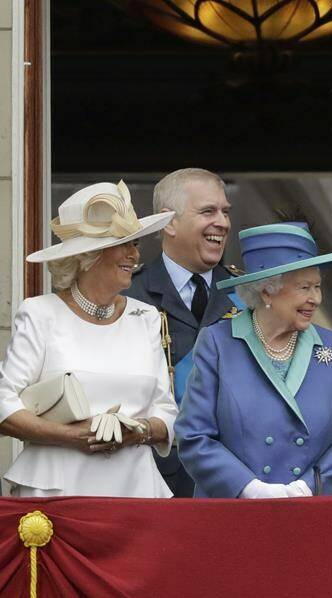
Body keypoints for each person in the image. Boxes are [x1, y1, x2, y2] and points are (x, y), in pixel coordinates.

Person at [0, 181, 179, 497]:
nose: (134, 254)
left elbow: (166, 412)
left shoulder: (145, 317)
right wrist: (71, 436)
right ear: (88, 256)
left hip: (135, 490)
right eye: (124, 244)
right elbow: (1, 406)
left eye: (135, 244)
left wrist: (138, 431)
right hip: (57, 491)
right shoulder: (40, 314)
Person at [176, 219, 332, 498]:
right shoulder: (218, 343)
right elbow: (193, 435)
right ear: (267, 290)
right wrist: (249, 489)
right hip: (233, 514)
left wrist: (308, 487)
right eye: (304, 288)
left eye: (317, 287)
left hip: (310, 512)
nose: (316, 298)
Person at [125, 167, 241, 496]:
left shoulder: (248, 295)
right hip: (152, 476)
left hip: (232, 477)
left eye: (225, 212)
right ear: (169, 222)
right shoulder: (129, 294)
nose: (223, 222)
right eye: (208, 211)